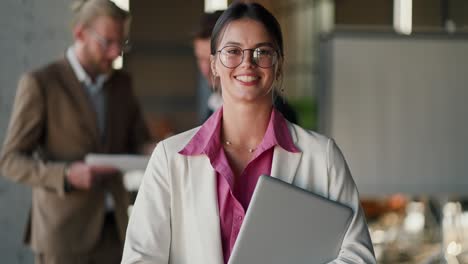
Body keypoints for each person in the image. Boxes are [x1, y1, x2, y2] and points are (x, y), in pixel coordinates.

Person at [122, 2, 375, 264]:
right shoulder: (169, 158)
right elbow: (140, 258)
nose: (247, 63)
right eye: (233, 51)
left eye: (262, 52)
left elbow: (358, 257)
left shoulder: (323, 157)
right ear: (214, 65)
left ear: (278, 66)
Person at [0, 0, 151, 263]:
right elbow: (10, 161)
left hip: (114, 229)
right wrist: (66, 175)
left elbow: (139, 142)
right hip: (62, 233)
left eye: (121, 43)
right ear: (80, 33)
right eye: (107, 42)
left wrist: (167, 147)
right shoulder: (41, 83)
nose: (115, 52)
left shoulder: (123, 85)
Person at [193, 10, 298, 124]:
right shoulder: (214, 101)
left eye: (232, 52)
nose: (206, 69)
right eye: (201, 59)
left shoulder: (280, 113)